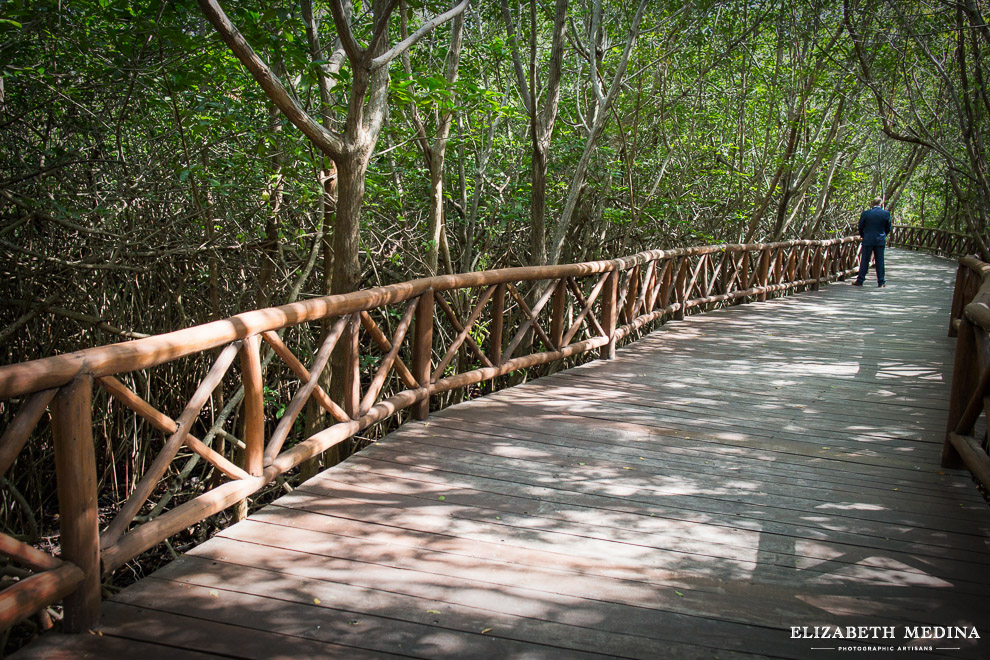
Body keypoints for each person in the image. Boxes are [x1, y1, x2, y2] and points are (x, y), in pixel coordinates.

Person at [853, 196, 892, 287]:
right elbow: (888, 228)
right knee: (880, 261)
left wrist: (864, 236)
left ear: (872, 204)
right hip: (880, 240)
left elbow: (860, 226)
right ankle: (881, 282)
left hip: (868, 239)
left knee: (864, 260)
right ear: (881, 204)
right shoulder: (886, 214)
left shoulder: (866, 213)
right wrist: (883, 235)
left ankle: (860, 280)